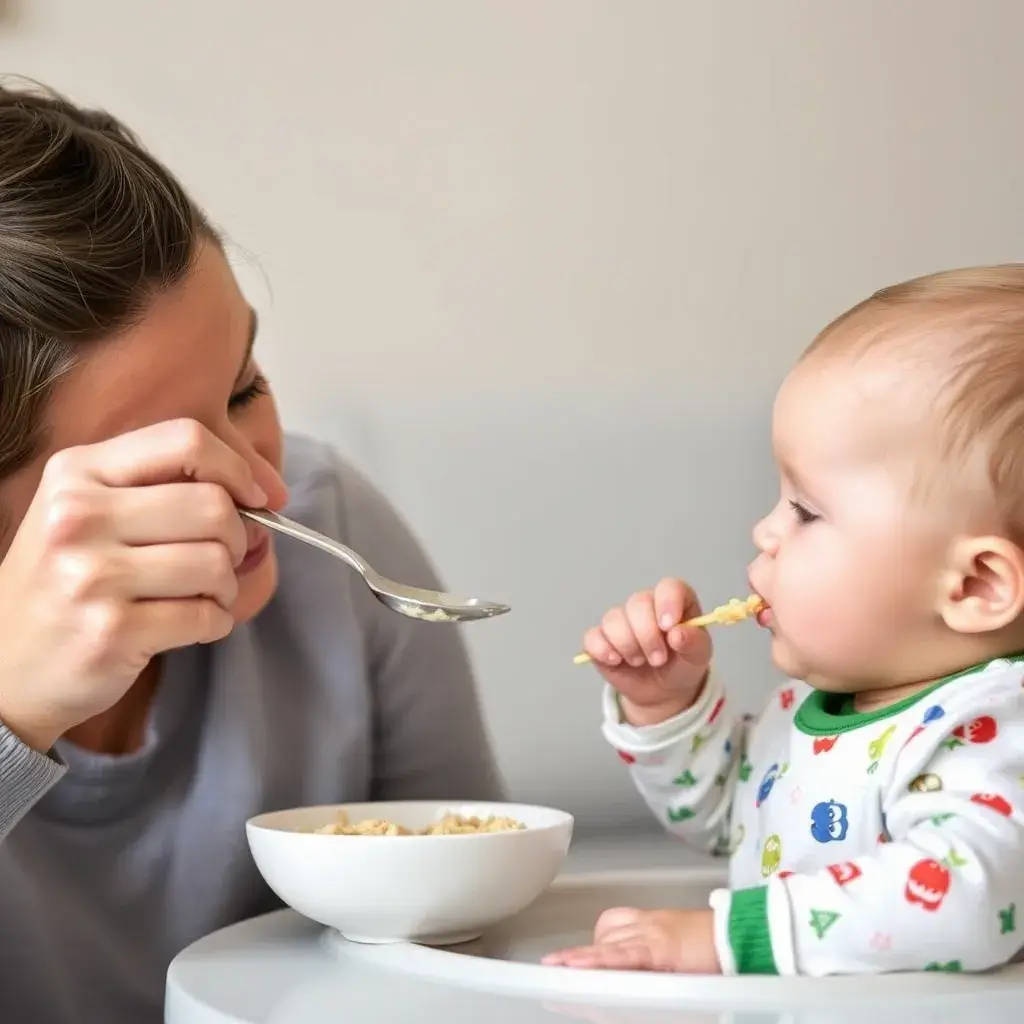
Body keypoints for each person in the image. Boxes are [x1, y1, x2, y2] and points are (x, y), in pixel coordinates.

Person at [0, 82, 503, 1021]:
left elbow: (469, 927)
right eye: (162, 463)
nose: (264, 492)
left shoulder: (335, 529)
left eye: (244, 389)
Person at [546, 266, 1024, 976]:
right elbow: (728, 822)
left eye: (805, 510)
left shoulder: (992, 731)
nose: (765, 530)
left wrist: (723, 940)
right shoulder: (821, 705)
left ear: (976, 584)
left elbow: (963, 899)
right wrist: (667, 704)